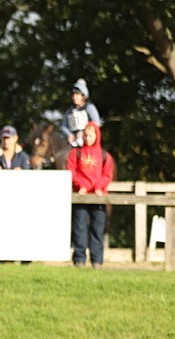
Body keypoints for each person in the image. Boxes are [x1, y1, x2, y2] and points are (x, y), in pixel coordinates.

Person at [66, 122, 114, 267]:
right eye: (85, 135)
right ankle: (79, 259)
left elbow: (107, 174)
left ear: (97, 136)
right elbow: (71, 170)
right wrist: (81, 186)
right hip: (81, 195)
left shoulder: (105, 156)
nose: (88, 138)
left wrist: (98, 187)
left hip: (98, 196)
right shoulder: (75, 153)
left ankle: (97, 260)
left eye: (91, 135)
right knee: (79, 228)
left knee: (97, 229)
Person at [60, 79, 102, 148]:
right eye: (73, 95)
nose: (74, 97)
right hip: (73, 140)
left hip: (87, 139)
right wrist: (69, 135)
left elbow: (96, 123)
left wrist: (83, 132)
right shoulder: (69, 111)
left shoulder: (89, 108)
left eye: (77, 95)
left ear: (83, 96)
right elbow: (63, 126)